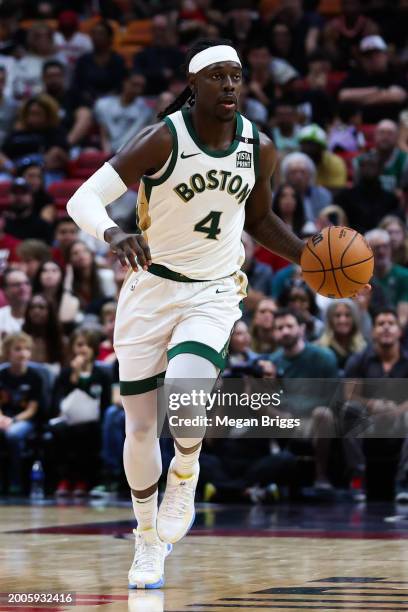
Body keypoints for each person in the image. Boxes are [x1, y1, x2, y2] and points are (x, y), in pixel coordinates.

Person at [66, 38, 367, 589]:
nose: (230, 85)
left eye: (237, 76)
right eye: (218, 77)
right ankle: (147, 540)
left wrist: (311, 259)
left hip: (213, 290)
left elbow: (259, 217)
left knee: (184, 395)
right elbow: (81, 199)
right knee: (137, 426)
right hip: (149, 291)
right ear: (194, 84)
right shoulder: (162, 139)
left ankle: (185, 467)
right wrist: (112, 232)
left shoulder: (260, 146)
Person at [267, 308, 338, 489]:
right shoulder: (272, 362)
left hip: (315, 419)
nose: (285, 331)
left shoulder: (324, 357)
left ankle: (320, 474)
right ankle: (269, 477)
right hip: (285, 418)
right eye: (279, 328)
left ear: (302, 328)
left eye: (289, 326)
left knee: (323, 414)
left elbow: (334, 398)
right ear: (274, 333)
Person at [343, 308, 408, 502]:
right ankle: (357, 478)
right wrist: (373, 405)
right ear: (373, 332)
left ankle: (404, 482)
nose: (386, 328)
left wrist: (396, 410)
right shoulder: (359, 360)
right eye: (381, 324)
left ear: (399, 331)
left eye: (391, 324)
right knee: (349, 411)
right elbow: (350, 396)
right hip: (369, 418)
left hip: (401, 419)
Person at [50, 328, 111, 497]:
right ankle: (65, 479)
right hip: (67, 419)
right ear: (72, 348)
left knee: (87, 432)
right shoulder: (65, 373)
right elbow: (58, 399)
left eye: (88, 345)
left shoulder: (101, 374)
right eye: (79, 345)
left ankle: (84, 480)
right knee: (61, 431)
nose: (83, 349)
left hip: (93, 421)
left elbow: (104, 402)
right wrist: (75, 375)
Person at [0, 332, 43, 495]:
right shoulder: (2, 375)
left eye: (26, 349)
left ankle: (15, 481)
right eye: (17, 349)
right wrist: (1, 418)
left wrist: (12, 420)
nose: (23, 353)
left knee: (13, 435)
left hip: (24, 419)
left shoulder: (35, 377)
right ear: (7, 352)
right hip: (4, 418)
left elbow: (32, 409)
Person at [338, 35, 408, 124]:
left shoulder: (395, 72)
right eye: (368, 55)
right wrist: (377, 91)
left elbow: (398, 96)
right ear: (362, 59)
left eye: (377, 54)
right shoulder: (355, 74)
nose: (373, 59)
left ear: (385, 55)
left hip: (392, 123)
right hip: (360, 122)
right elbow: (343, 95)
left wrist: (358, 99)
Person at [335, 151, 401, 235]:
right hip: (352, 241)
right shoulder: (345, 197)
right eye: (365, 165)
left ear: (380, 169)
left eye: (373, 165)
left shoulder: (391, 199)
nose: (368, 168)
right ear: (360, 168)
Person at [94, 72, 155, 155]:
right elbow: (104, 133)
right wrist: (107, 156)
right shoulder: (103, 104)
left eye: (141, 86)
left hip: (130, 154)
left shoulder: (145, 110)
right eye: (135, 84)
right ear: (125, 82)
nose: (138, 90)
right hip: (107, 152)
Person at [365, 229, 408, 327]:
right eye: (376, 247)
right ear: (368, 250)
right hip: (368, 329)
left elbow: (403, 318)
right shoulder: (361, 278)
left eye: (385, 246)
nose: (381, 251)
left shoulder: (404, 276)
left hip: (395, 329)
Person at [317, 299, 366, 375]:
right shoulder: (320, 349)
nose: (342, 320)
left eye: (347, 315)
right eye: (337, 315)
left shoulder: (363, 348)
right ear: (330, 320)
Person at [280, 152, 332, 224]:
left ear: (310, 174)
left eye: (303, 172)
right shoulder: (277, 197)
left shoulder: (323, 195)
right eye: (293, 172)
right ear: (286, 175)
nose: (298, 177)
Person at [298, 124, 347, 190]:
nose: (309, 149)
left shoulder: (335, 163)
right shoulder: (293, 163)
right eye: (306, 144)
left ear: (322, 148)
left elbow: (337, 190)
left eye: (313, 145)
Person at [0, 268, 32, 343]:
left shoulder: (42, 314)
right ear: (5, 290)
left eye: (27, 283)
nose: (23, 288)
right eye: (16, 285)